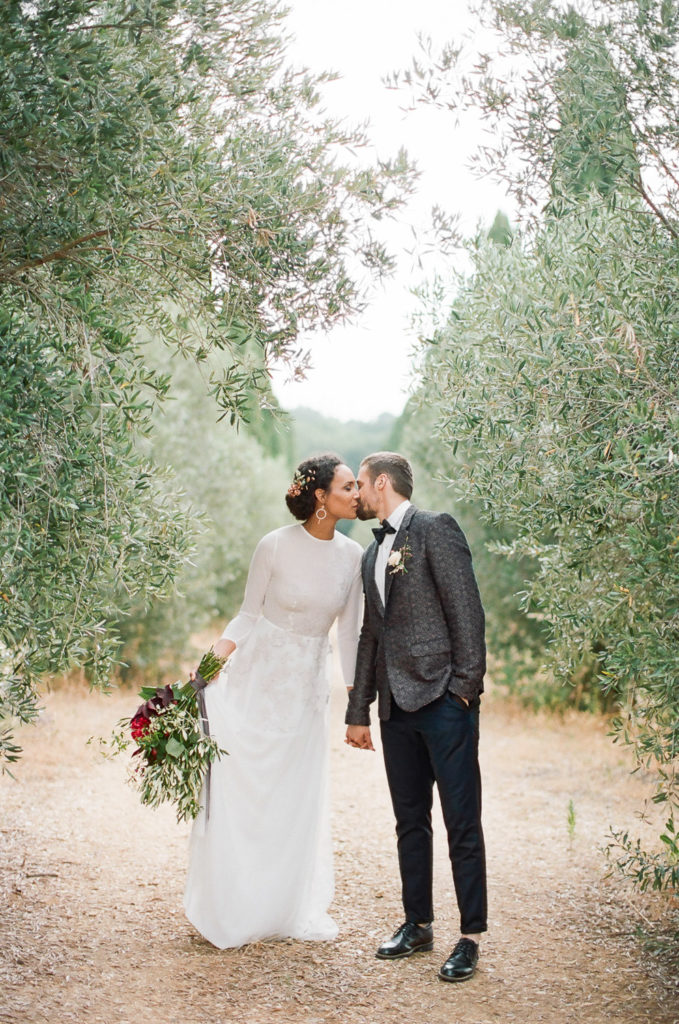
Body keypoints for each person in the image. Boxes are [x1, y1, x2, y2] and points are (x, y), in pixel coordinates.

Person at [184, 453, 363, 949]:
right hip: (257, 680)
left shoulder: (353, 557)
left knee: (293, 795)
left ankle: (281, 904)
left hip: (306, 692)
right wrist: (211, 660)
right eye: (347, 487)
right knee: (248, 786)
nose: (357, 494)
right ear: (321, 497)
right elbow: (246, 616)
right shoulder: (274, 545)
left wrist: (356, 704)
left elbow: (348, 636)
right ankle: (235, 902)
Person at [345, 451, 487, 983]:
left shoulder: (435, 529)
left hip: (444, 705)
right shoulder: (368, 555)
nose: (355, 493)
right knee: (410, 822)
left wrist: (463, 692)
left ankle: (470, 937)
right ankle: (417, 923)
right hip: (395, 709)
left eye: (359, 484)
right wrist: (359, 708)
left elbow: (467, 614)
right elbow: (370, 635)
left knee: (461, 823)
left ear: (382, 483)